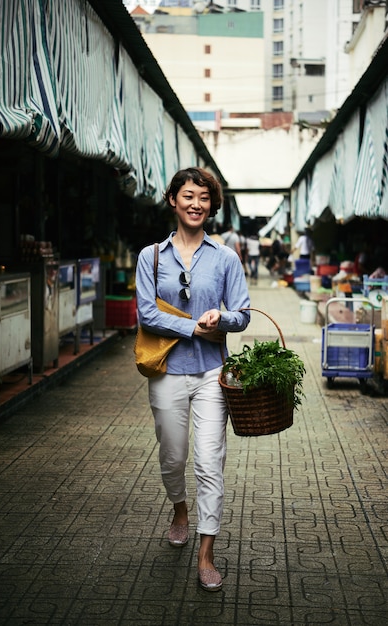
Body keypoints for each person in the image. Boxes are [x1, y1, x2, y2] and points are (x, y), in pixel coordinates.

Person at [135, 167, 251, 592]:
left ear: (212, 205)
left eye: (204, 197)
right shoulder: (151, 256)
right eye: (188, 196)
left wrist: (223, 317)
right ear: (173, 200)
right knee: (172, 457)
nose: (196, 203)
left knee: (209, 462)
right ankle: (179, 509)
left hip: (210, 374)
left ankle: (206, 552)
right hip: (166, 372)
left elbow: (242, 313)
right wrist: (193, 328)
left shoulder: (225, 258)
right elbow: (146, 313)